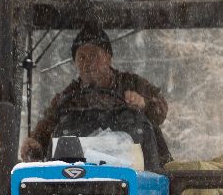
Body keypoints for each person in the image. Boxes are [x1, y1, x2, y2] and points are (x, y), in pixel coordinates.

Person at [21, 24, 168, 160]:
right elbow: (46, 128)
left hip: (135, 168)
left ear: (108, 58)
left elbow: (160, 110)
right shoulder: (67, 98)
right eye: (81, 57)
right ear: (75, 63)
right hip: (79, 172)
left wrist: (144, 103)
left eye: (93, 55)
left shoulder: (132, 83)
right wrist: (35, 143)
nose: (87, 63)